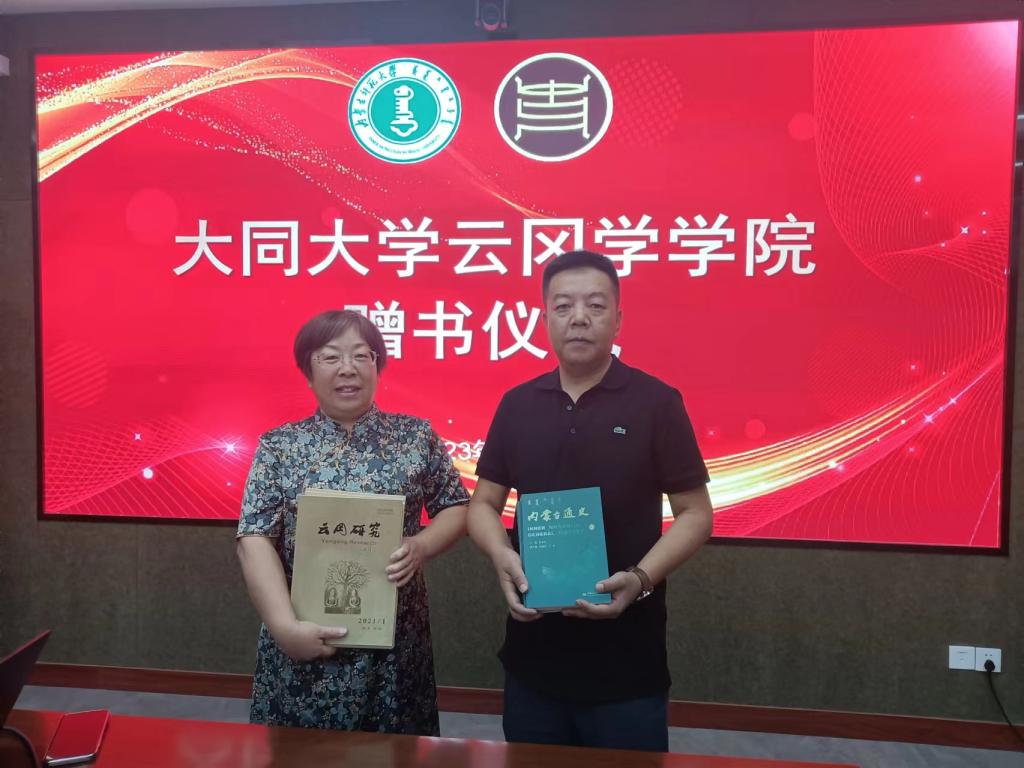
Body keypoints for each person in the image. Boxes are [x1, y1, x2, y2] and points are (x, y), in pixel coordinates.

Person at [467, 250, 713, 752]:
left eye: (595, 306)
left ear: (618, 319)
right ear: (545, 320)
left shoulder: (657, 403)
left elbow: (696, 514)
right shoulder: (517, 404)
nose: (579, 318)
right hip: (534, 654)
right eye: (563, 306)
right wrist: (501, 555)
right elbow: (483, 505)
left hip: (628, 660)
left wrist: (640, 579)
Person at [236, 309, 469, 735]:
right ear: (308, 372)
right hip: (302, 634)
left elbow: (456, 507)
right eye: (331, 357)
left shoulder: (415, 437)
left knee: (396, 750)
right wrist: (285, 628)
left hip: (394, 642)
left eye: (362, 356)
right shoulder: (279, 446)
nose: (348, 368)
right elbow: (254, 538)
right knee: (301, 754)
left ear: (378, 366)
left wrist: (422, 545)